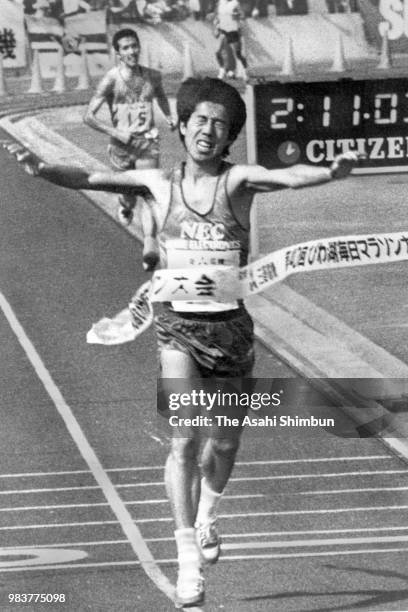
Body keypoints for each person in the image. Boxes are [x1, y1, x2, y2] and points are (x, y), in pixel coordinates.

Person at [5, 77, 359, 608]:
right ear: (183, 124)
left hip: (231, 331)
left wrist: (329, 172)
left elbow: (285, 177)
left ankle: (208, 515)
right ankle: (187, 561)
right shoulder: (158, 184)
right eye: (200, 120)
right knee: (183, 441)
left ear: (228, 135)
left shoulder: (237, 182)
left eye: (219, 124)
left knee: (225, 442)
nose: (208, 131)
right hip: (176, 328)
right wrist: (42, 170)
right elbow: (91, 175)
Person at [84, 28, 175, 271]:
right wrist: (116, 132)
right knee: (129, 196)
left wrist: (169, 117)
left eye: (134, 45)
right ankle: (124, 205)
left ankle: (149, 246)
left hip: (147, 143)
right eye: (125, 48)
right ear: (118, 53)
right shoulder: (111, 79)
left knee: (147, 192)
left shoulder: (153, 76)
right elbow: (88, 117)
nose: (132, 51)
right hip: (121, 147)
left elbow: (162, 97)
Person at [214, 0, 248, 81]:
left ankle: (245, 72)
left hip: (233, 31)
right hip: (223, 31)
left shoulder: (235, 3)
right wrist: (216, 27)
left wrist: (237, 16)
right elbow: (217, 16)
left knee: (238, 54)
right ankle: (221, 72)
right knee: (218, 53)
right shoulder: (220, 2)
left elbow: (243, 16)